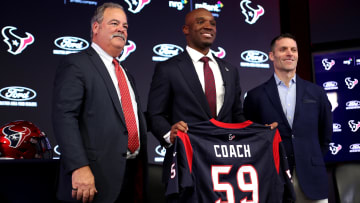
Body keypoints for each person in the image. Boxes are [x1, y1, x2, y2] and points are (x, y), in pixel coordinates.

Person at [52, 3, 147, 203]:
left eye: (125, 26)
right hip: (93, 180)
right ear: (96, 27)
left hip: (131, 178)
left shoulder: (126, 74)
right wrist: (79, 167)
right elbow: (65, 117)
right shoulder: (77, 64)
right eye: (114, 23)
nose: (122, 29)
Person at [147, 8, 247, 188]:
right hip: (185, 166)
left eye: (213, 23)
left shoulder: (230, 71)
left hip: (226, 167)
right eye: (201, 22)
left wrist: (260, 132)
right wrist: (170, 134)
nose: (208, 26)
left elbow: (236, 116)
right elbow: (155, 115)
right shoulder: (168, 69)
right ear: (186, 29)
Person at [244, 33, 332, 202]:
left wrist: (310, 157)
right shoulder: (255, 97)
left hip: (313, 179)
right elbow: (251, 139)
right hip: (273, 179)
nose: (289, 53)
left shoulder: (316, 93)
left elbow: (325, 134)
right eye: (283, 49)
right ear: (271, 55)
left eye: (293, 49)